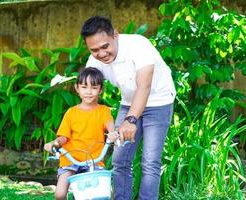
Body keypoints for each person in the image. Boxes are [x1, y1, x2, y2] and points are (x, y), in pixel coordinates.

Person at [81, 16, 176, 200]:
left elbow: (144, 87)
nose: (101, 54)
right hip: (129, 102)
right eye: (94, 50)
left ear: (115, 35)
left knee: (150, 161)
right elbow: (89, 97)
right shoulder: (94, 62)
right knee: (120, 160)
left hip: (159, 102)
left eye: (105, 46)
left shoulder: (138, 45)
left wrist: (131, 120)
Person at [44, 67, 117, 200]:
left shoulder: (104, 111)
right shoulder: (71, 112)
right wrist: (54, 143)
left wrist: (113, 133)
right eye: (84, 87)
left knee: (105, 193)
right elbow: (63, 137)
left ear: (100, 90)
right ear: (77, 88)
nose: (89, 92)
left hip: (94, 160)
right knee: (60, 194)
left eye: (94, 87)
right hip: (70, 159)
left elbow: (109, 124)